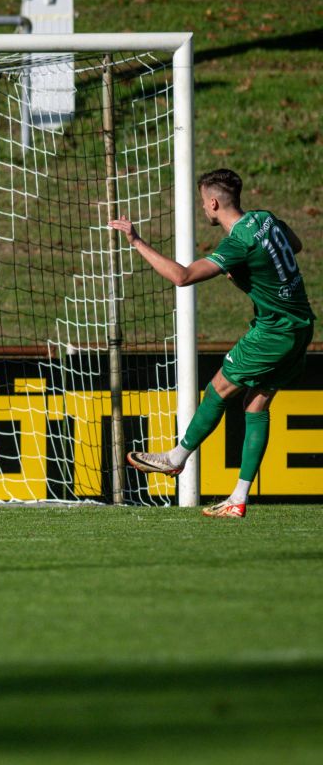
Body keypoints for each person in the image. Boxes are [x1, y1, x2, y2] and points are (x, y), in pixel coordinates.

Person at [112, 168, 315, 517]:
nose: (203, 210)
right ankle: (238, 498)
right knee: (255, 406)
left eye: (203, 204)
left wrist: (136, 241)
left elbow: (182, 276)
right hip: (301, 325)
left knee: (218, 389)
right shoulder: (264, 219)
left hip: (273, 332)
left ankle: (175, 458)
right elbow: (294, 245)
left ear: (214, 202)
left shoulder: (238, 243)